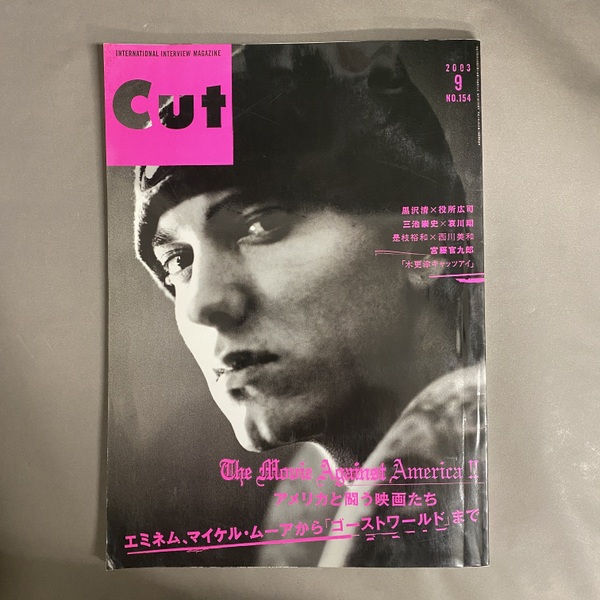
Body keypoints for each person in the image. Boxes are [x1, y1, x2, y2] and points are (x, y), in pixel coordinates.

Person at [132, 42, 486, 567]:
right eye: (176, 261)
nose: (201, 304)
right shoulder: (307, 521)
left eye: (261, 224)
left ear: (422, 243)